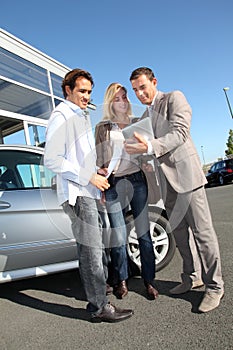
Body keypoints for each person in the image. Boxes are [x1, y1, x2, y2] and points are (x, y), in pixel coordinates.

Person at [125, 67, 224, 313]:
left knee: (203, 234)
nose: (139, 94)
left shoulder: (173, 98)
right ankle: (192, 277)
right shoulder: (143, 117)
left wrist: (149, 146)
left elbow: (180, 133)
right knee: (180, 235)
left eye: (142, 87)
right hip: (165, 183)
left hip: (187, 178)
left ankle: (214, 287)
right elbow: (146, 150)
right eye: (135, 90)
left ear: (154, 82)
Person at [44, 69, 133, 322]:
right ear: (67, 90)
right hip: (78, 193)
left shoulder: (79, 116)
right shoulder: (62, 115)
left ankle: (97, 300)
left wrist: (97, 173)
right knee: (92, 251)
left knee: (91, 250)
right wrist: (89, 178)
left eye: (89, 92)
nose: (86, 96)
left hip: (87, 190)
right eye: (82, 91)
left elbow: (77, 158)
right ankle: (99, 307)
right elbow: (51, 159)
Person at [95, 82, 158, 300]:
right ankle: (121, 280)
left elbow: (146, 151)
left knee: (143, 233)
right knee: (119, 235)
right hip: (114, 184)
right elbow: (99, 159)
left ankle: (149, 281)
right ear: (110, 102)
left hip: (137, 181)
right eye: (117, 98)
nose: (122, 101)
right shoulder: (103, 128)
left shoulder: (136, 123)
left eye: (124, 97)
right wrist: (101, 172)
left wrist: (147, 161)